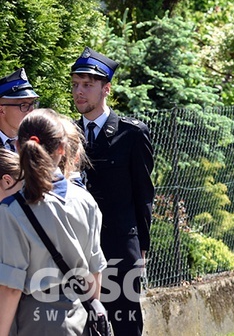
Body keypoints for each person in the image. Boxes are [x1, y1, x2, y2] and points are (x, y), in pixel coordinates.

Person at [70, 47, 154, 335]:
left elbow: (144, 195)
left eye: (87, 85)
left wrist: (141, 247)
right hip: (78, 247)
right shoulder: (68, 135)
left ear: (106, 89)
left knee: (124, 322)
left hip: (119, 244)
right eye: (75, 85)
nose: (79, 92)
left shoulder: (131, 133)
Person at [0, 109, 107, 335]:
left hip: (33, 320)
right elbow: (95, 271)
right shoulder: (85, 201)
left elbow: (11, 288)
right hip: (78, 317)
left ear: (18, 147)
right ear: (62, 148)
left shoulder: (11, 210)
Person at [0, 68, 39, 152]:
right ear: (1, 109)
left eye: (32, 104)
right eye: (24, 105)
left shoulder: (37, 143)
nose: (31, 111)